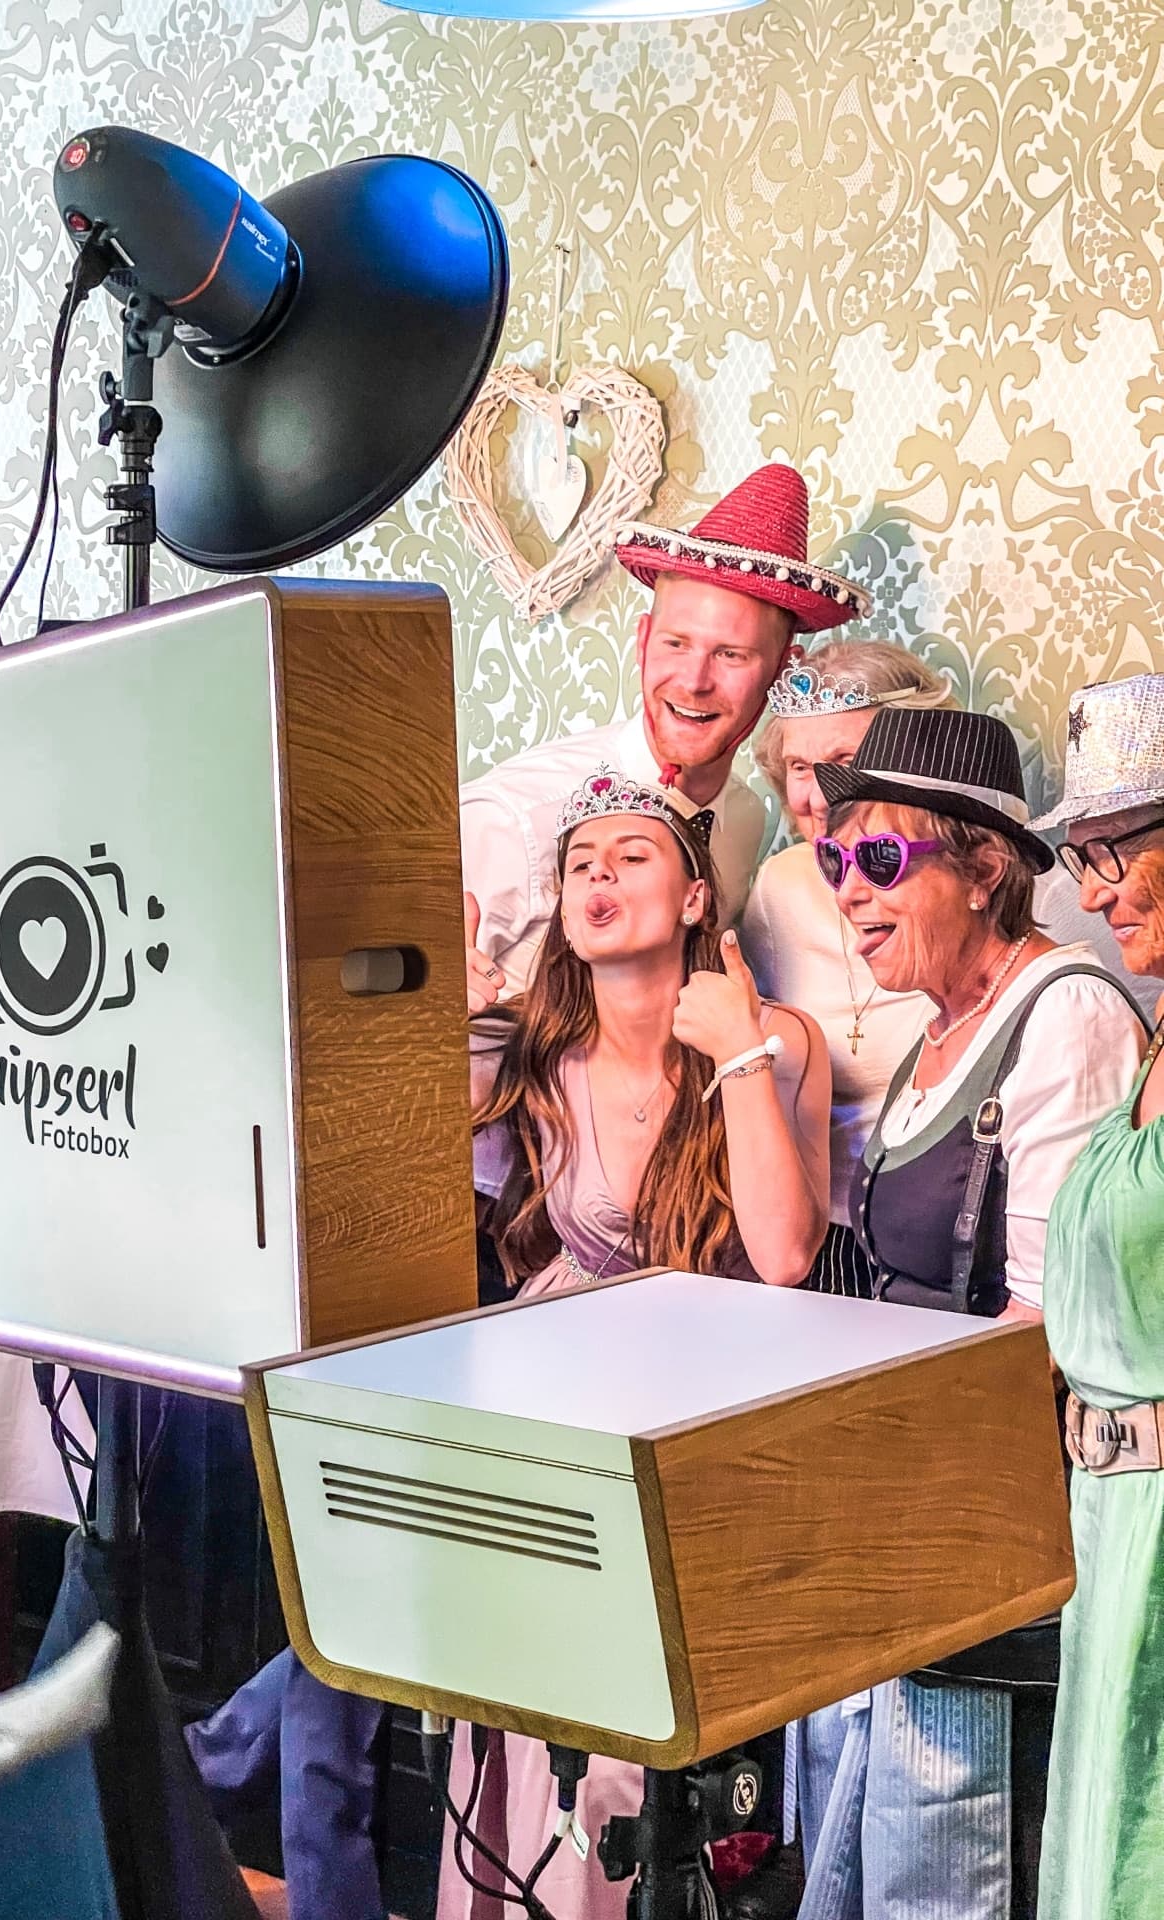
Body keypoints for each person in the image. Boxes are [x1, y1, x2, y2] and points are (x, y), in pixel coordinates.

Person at [439, 764, 831, 1920]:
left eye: (633, 856)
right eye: (579, 865)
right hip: (550, 1396)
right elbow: (408, 1202)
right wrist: (445, 1029)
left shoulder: (776, 1040)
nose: (600, 875)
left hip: (698, 1415)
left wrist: (740, 1055)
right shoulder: (534, 1063)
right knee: (512, 1708)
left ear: (699, 899)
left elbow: (785, 1255)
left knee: (626, 1740)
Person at [788, 705, 1147, 1920]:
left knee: (954, 1872)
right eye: (839, 861)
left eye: (883, 860)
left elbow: (1050, 1323)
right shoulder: (934, 1038)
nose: (851, 889)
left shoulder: (1070, 1015)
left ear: (988, 866)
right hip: (898, 1534)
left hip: (988, 1544)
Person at [462, 463, 873, 1007]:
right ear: (643, 641)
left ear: (781, 670)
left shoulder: (746, 820)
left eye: (731, 654)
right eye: (676, 644)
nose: (694, 682)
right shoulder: (515, 817)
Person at [1030, 674, 1164, 1920]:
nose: (1096, 885)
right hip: (1107, 1523)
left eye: (1118, 847)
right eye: (1081, 854)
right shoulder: (1154, 1038)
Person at [744, 643, 955, 1294]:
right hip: (825, 1240)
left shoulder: (964, 884)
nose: (814, 795)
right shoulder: (779, 888)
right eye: (800, 766)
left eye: (842, 762)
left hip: (947, 1231)